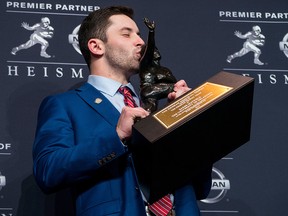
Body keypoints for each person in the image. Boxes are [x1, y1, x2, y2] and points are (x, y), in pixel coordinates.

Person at [33, 6, 212, 216]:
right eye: (127, 34)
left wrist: (188, 122)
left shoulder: (156, 106)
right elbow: (48, 171)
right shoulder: (65, 105)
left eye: (138, 34)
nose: (141, 42)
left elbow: (201, 187)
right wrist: (116, 137)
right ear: (96, 46)